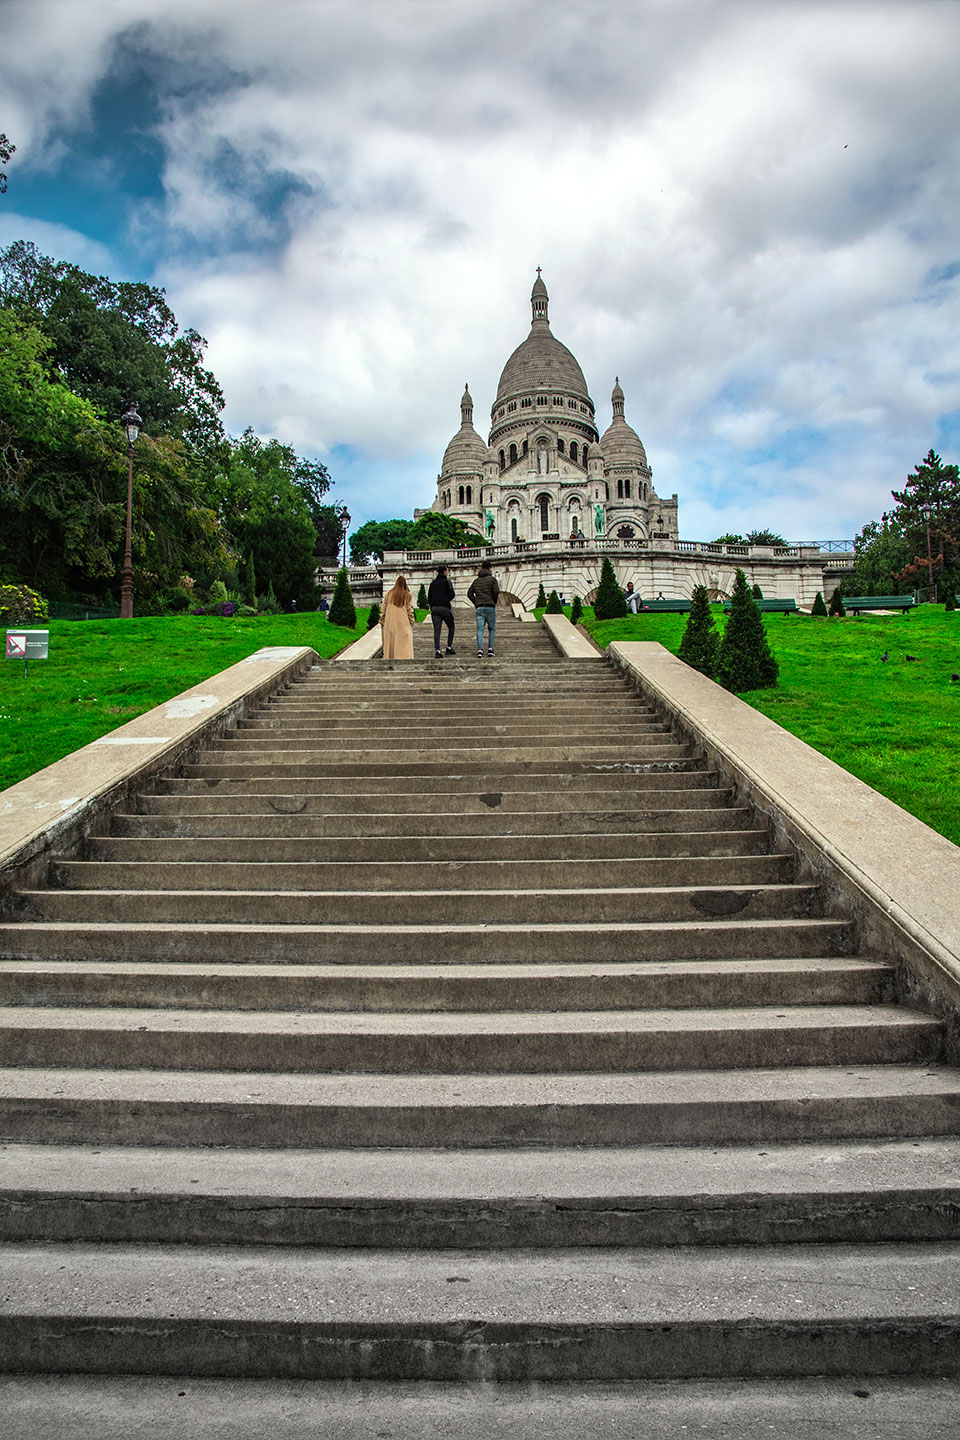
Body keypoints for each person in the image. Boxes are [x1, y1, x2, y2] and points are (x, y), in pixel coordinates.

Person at [467, 559, 500, 657]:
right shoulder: (492, 579)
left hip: (480, 608)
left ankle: (480, 650)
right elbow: (496, 591)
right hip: (490, 607)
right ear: (490, 568)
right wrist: (493, 601)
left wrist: (476, 602)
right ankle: (490, 649)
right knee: (492, 628)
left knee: (480, 629)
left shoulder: (476, 581)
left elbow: (469, 593)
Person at [380, 574, 415, 659]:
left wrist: (382, 620)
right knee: (404, 645)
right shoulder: (407, 595)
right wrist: (412, 621)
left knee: (391, 644)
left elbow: (383, 608)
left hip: (390, 623)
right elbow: (409, 610)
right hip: (403, 623)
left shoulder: (388, 594)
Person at [428, 564, 456, 657]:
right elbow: (452, 594)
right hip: (444, 607)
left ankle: (437, 650)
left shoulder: (432, 583)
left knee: (437, 630)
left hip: (434, 608)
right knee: (451, 626)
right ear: (444, 571)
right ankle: (448, 647)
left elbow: (429, 597)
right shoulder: (447, 581)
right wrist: (446, 598)